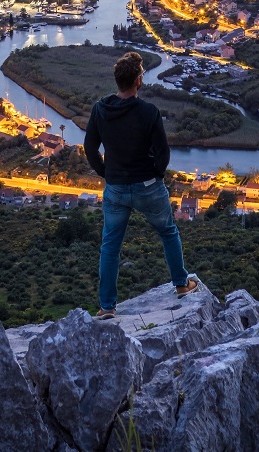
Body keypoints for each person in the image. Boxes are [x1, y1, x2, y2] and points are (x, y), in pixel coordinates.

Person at [84, 50, 197, 319]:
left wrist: (105, 172)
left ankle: (107, 307)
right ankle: (182, 285)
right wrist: (155, 174)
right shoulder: (149, 112)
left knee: (110, 245)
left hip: (116, 188)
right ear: (137, 80)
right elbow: (163, 154)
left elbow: (89, 147)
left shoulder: (101, 109)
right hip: (148, 186)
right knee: (168, 233)